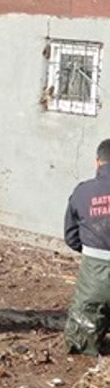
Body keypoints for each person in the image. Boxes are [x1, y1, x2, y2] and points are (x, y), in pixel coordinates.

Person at [63, 139, 110, 356]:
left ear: (97, 162)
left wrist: (91, 251)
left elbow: (71, 236)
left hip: (95, 266)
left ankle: (88, 345)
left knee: (86, 317)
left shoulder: (83, 192)